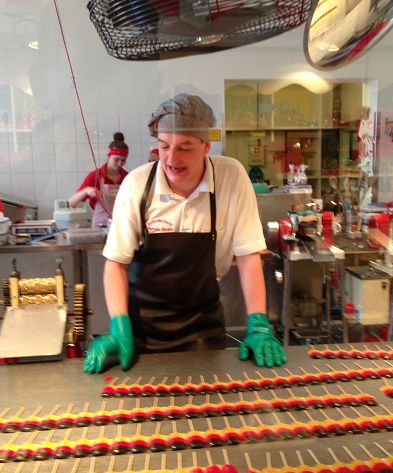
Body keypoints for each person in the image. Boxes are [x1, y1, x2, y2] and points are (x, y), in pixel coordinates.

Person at [84, 93, 287, 374]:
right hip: (140, 334)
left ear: (206, 146)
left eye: (184, 147)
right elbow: (116, 263)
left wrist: (259, 324)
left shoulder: (231, 178)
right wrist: (118, 325)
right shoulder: (138, 185)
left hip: (203, 331)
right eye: (164, 146)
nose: (171, 158)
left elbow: (248, 255)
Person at [69, 132, 130, 228]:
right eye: (116, 159)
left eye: (123, 160)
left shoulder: (128, 177)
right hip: (100, 226)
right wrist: (86, 190)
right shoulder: (95, 176)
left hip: (121, 225)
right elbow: (72, 203)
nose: (119, 164)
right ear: (109, 156)